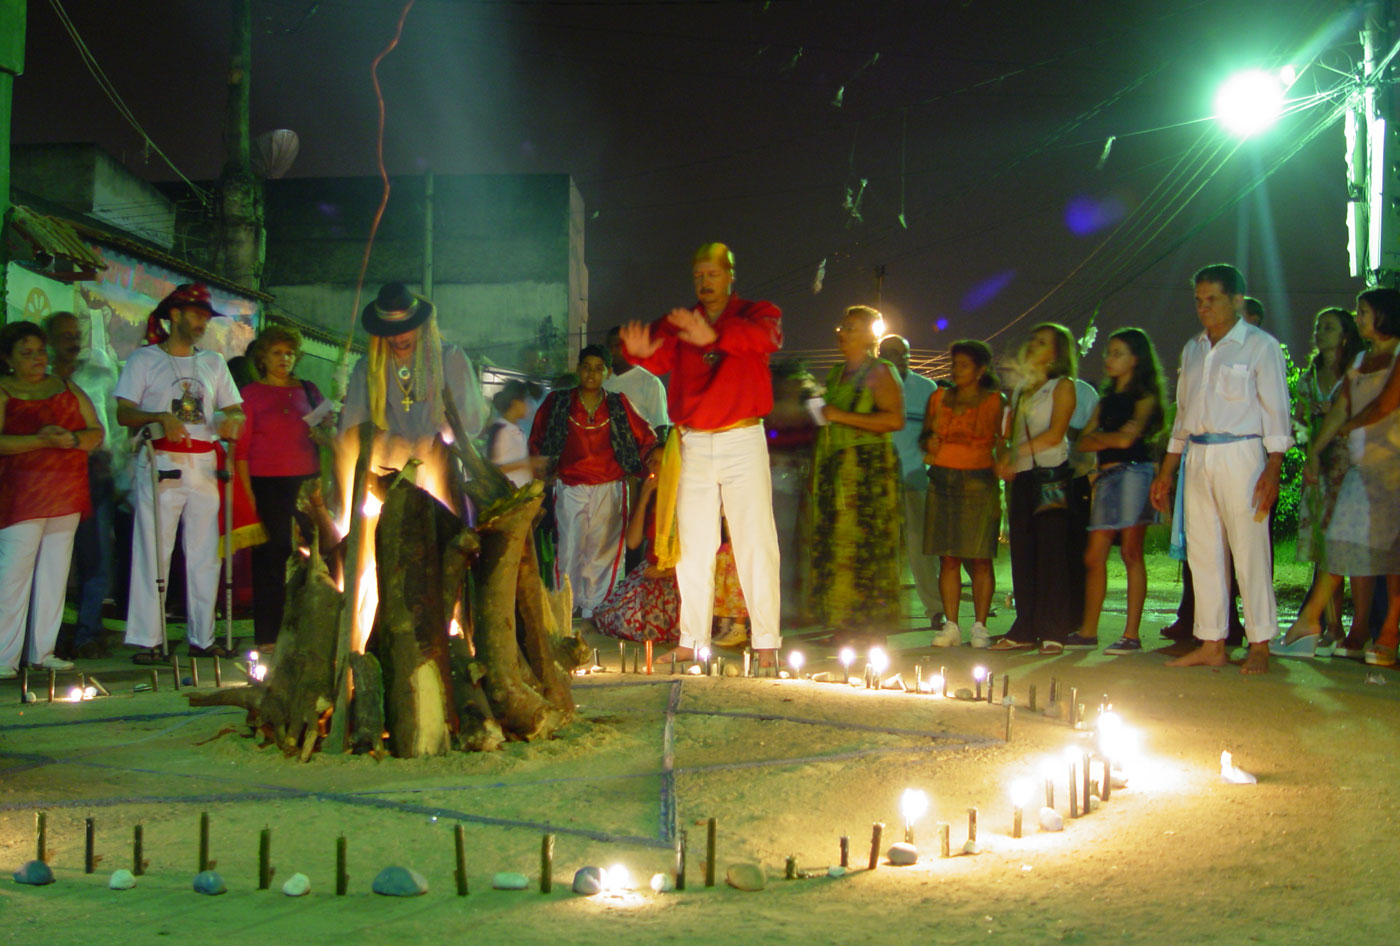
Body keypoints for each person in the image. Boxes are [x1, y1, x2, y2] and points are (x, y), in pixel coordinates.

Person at [620, 242, 783, 665]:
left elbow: (768, 338)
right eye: (698, 276)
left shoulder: (756, 312)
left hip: (741, 439)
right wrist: (635, 351)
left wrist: (717, 337)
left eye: (712, 274)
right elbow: (656, 356)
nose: (704, 282)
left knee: (755, 540)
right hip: (693, 441)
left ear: (731, 275)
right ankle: (691, 640)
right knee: (694, 545)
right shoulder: (681, 322)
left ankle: (766, 641)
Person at [1149, 264, 1292, 675]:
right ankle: (1211, 641)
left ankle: (1260, 642)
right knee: (1203, 551)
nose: (1204, 307)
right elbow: (1184, 415)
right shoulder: (1193, 349)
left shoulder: (1260, 346)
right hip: (1198, 456)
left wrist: (1274, 466)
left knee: (1249, 549)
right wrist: (1167, 469)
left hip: (1243, 455)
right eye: (1198, 300)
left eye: (1212, 299)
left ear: (1236, 300)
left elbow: (1276, 411)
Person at [115, 284, 245, 662]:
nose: (203, 320)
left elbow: (234, 409)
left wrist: (230, 420)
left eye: (206, 315)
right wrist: (158, 417)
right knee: (153, 550)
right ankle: (147, 638)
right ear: (174, 315)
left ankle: (203, 638)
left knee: (205, 553)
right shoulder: (144, 360)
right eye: (196, 313)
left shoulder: (214, 363)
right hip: (161, 460)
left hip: (204, 462)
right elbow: (124, 413)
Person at [1275, 288, 1400, 663]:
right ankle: (1316, 622)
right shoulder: (1361, 359)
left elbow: (1384, 405)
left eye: (1363, 312)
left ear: (1383, 315)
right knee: (1340, 541)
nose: (1358, 318)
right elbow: (1340, 407)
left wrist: (1345, 429)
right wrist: (1314, 450)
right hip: (1363, 469)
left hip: (1393, 469)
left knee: (1391, 555)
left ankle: (1387, 632)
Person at [0, 322, 103, 678]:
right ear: (8, 359)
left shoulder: (66, 387)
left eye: (40, 352)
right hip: (21, 493)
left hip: (65, 490)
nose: (36, 359)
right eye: (25, 354)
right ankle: (4, 656)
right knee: (13, 574)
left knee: (55, 573)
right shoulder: (3, 390)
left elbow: (96, 432)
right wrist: (42, 440)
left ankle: (42, 651)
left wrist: (71, 440)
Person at [529, 345, 657, 621]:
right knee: (569, 547)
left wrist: (651, 467)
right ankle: (565, 608)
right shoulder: (558, 402)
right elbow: (537, 439)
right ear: (578, 370)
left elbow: (646, 439)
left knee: (603, 550)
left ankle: (595, 610)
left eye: (599, 368)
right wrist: (541, 473)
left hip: (609, 487)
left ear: (608, 373)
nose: (591, 374)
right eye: (586, 367)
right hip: (569, 486)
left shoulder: (618, 403)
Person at [1066, 328, 1166, 654]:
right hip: (1106, 477)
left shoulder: (1145, 397)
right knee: (1094, 555)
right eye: (1108, 352)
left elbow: (1124, 441)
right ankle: (1088, 631)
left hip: (1135, 474)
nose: (1108, 358)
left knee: (1131, 552)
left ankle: (1131, 635)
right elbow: (1083, 441)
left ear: (1135, 359)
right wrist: (1112, 437)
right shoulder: (1105, 400)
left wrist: (1105, 438)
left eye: (1117, 353)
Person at [808, 306, 904, 641]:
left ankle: (870, 626)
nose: (842, 332)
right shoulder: (836, 374)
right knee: (838, 546)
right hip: (836, 468)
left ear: (869, 335)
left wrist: (841, 415)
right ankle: (845, 622)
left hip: (868, 469)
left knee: (868, 545)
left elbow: (894, 420)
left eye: (850, 327)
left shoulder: (880, 370)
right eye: (841, 326)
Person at [235, 325, 330, 649]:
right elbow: (242, 452)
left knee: (320, 553)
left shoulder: (309, 390)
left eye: (289, 353)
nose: (284, 359)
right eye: (277, 353)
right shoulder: (250, 395)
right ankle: (268, 637)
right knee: (271, 556)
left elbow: (328, 430)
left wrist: (329, 428)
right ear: (263, 357)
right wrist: (248, 495)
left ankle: (316, 628)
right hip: (267, 483)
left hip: (307, 482)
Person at [993, 323, 1081, 653]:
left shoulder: (1063, 386)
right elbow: (1010, 434)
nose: (1033, 347)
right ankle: (1025, 626)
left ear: (1057, 353)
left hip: (1051, 475)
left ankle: (1055, 628)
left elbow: (1055, 434)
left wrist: (1015, 454)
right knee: (1023, 551)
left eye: (1042, 343)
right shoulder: (1021, 390)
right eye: (1032, 341)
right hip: (1024, 477)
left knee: (1052, 553)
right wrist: (1004, 457)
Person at [45, 311, 123, 660]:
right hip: (48, 475)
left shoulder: (98, 375)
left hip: (94, 472)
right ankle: (47, 634)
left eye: (76, 334)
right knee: (49, 558)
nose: (73, 341)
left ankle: (87, 633)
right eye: (64, 335)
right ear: (48, 341)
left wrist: (120, 473)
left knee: (96, 558)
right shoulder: (38, 381)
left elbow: (114, 429)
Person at [922, 339, 1005, 648]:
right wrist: (930, 445)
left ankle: (980, 626)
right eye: (954, 364)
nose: (957, 370)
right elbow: (926, 436)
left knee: (981, 556)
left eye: (964, 365)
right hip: (943, 479)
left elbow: (1002, 443)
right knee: (948, 556)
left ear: (981, 370)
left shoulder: (995, 401)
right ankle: (951, 625)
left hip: (979, 480)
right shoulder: (939, 398)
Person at [1293, 307, 1365, 649]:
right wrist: (1307, 432)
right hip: (1317, 466)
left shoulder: (1354, 372)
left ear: (1345, 335)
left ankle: (1358, 626)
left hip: (1348, 464)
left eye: (1330, 327)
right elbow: (1298, 421)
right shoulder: (1309, 378)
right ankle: (1331, 624)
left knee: (1347, 546)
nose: (1321, 333)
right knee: (1324, 548)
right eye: (1319, 327)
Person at [340, 282, 487, 444]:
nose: (398, 338)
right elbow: (354, 421)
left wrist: (437, 447)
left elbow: (469, 419)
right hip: (388, 462)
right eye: (391, 332)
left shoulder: (449, 358)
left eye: (404, 329)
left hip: (441, 459)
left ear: (419, 326)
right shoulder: (368, 367)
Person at [879, 334, 941, 630]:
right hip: (880, 479)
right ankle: (883, 610)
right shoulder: (871, 385)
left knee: (922, 548)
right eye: (891, 352)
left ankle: (936, 609)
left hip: (916, 476)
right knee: (882, 549)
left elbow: (934, 433)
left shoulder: (926, 389)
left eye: (904, 353)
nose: (899, 358)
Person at [765, 361, 819, 624]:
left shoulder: (809, 408)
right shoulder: (772, 410)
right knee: (783, 545)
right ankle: (783, 605)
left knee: (801, 546)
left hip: (802, 480)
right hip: (778, 481)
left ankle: (799, 604)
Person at [604, 325, 670, 434]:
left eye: (616, 346)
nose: (612, 352)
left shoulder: (650, 382)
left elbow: (660, 426)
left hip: (638, 449)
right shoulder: (602, 380)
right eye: (609, 347)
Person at [487, 380, 533, 489]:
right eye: (527, 401)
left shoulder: (518, 429)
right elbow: (495, 470)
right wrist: (529, 463)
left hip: (521, 495)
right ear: (516, 403)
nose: (529, 406)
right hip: (508, 497)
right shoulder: (500, 429)